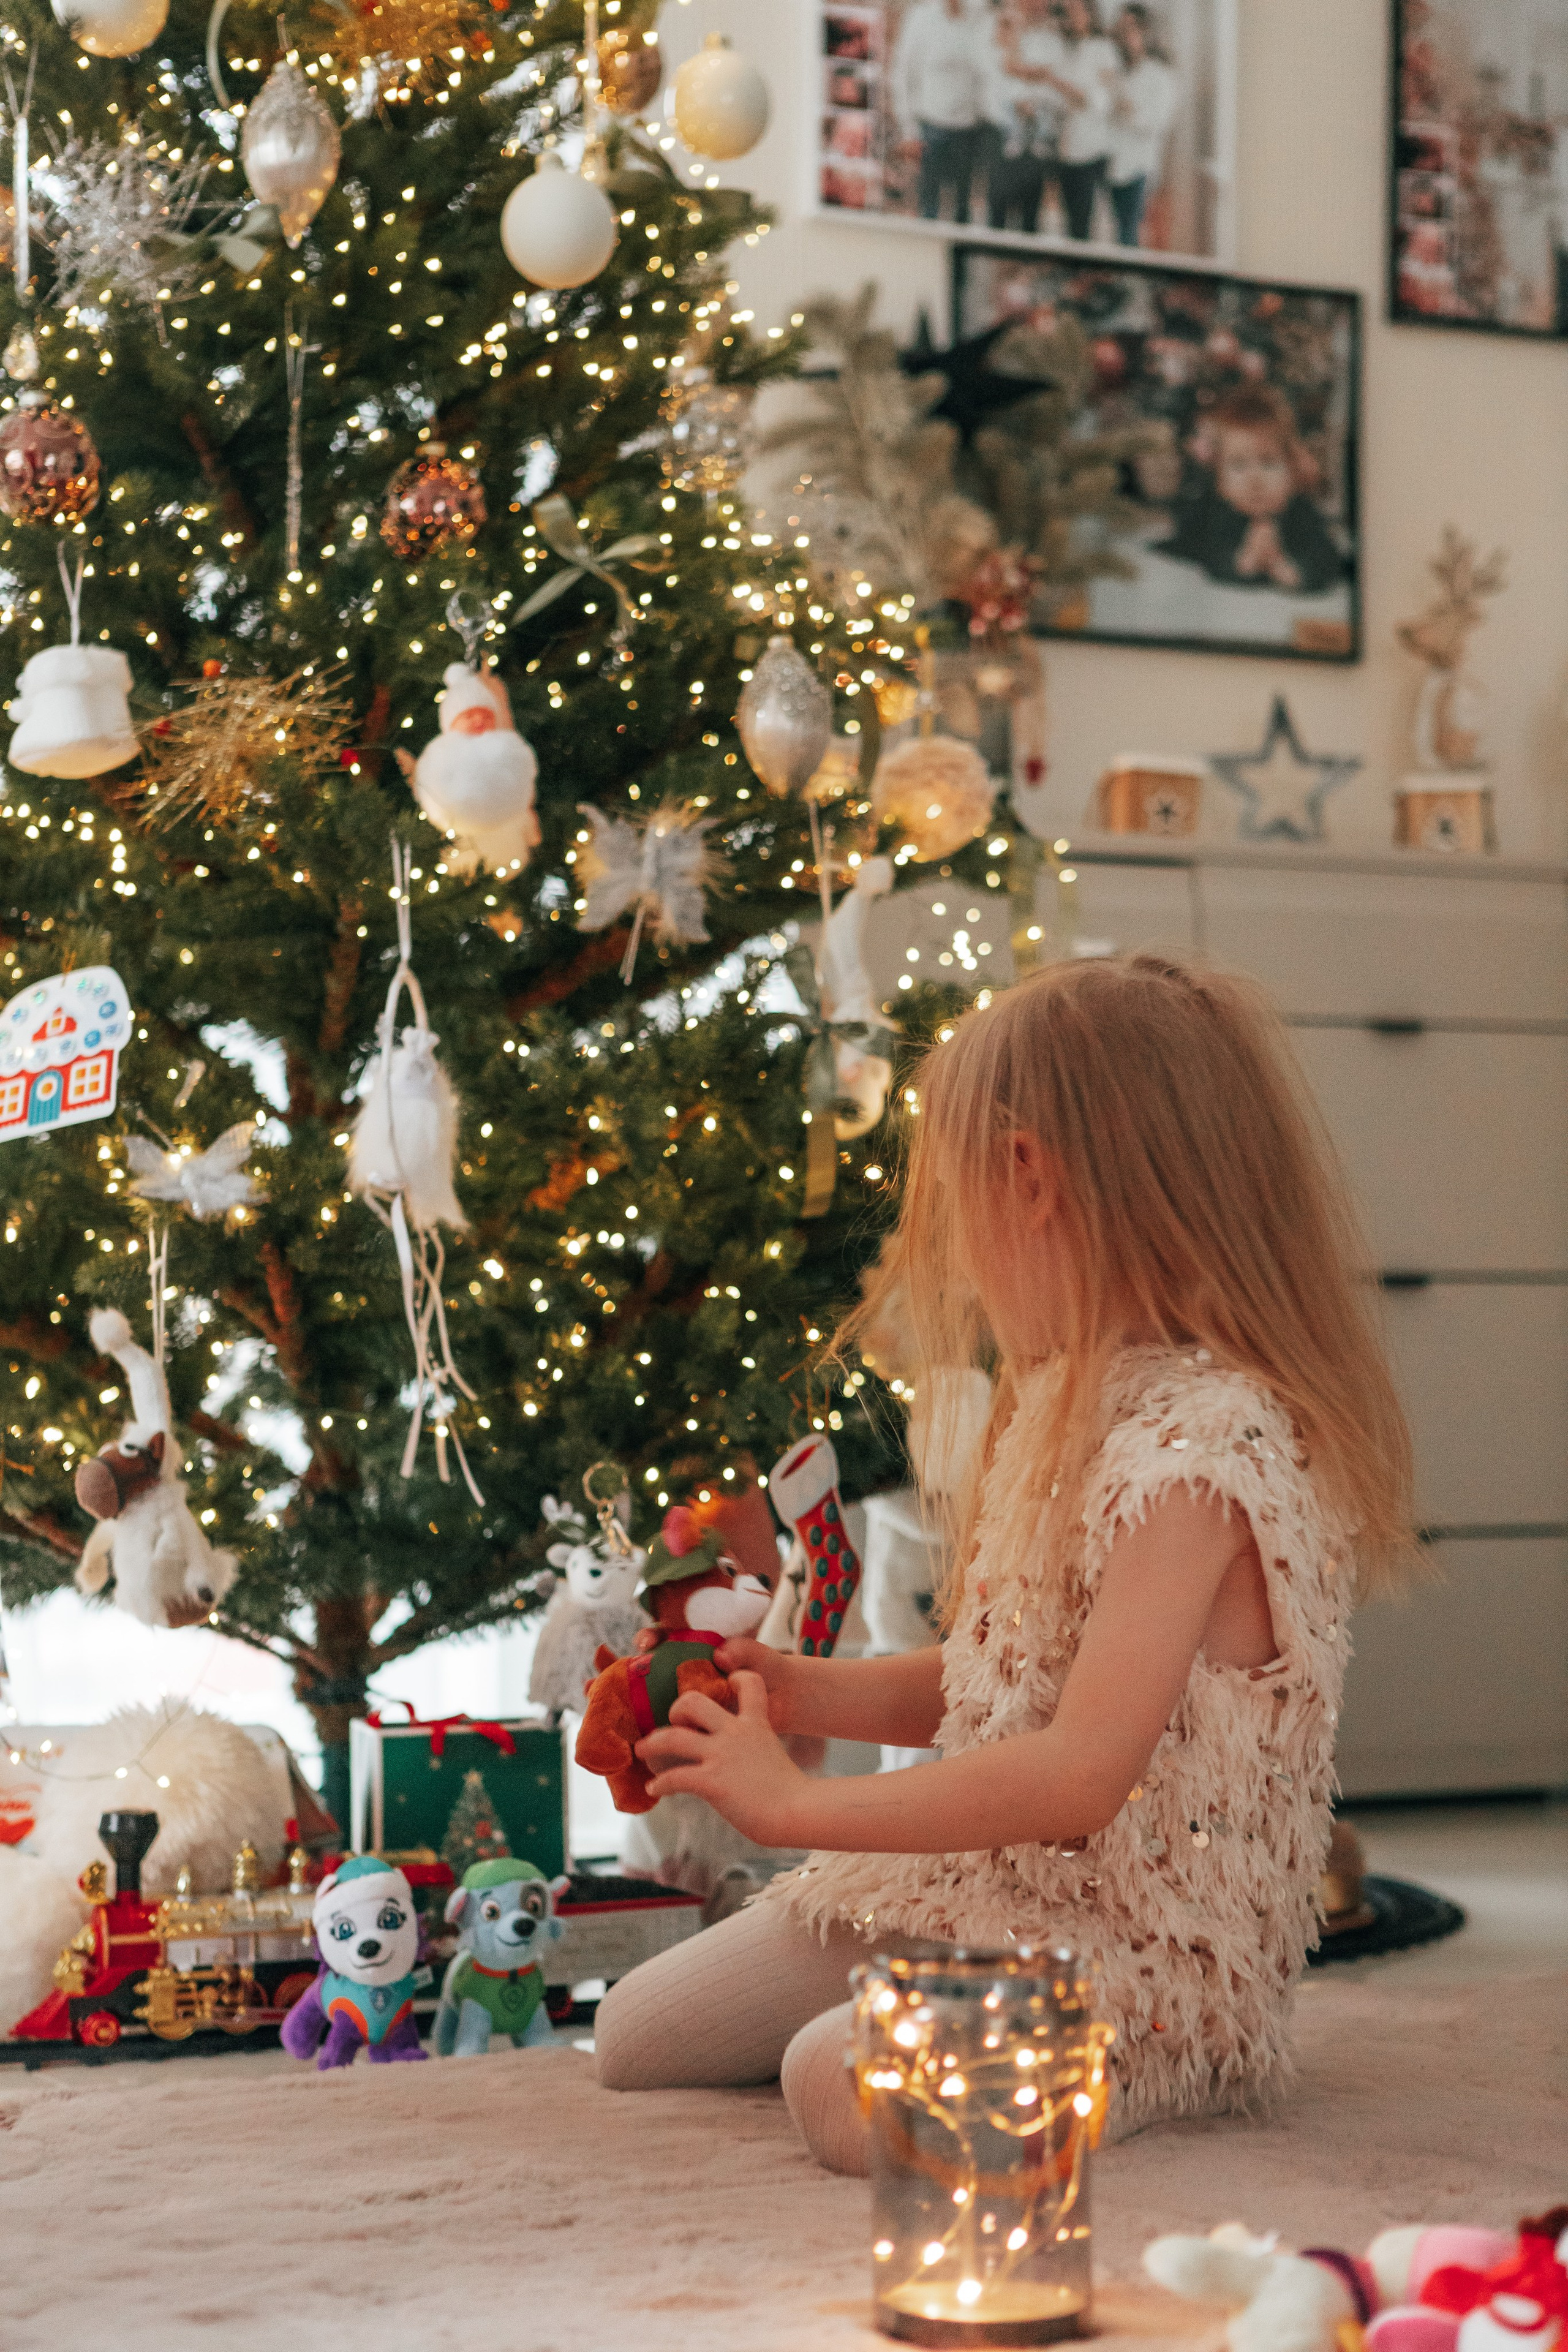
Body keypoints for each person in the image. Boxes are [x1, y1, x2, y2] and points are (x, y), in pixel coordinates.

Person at [594, 954, 1415, 2173]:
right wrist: (795, 1684)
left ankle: (1180, 2064)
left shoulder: (1201, 1448)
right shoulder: (1061, 1397)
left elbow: (1081, 1769)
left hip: (1141, 1954)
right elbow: (992, 1675)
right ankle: (943, 1989)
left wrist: (797, 1805)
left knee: (831, 2081)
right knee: (636, 2030)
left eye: (953, 1204)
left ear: (1027, 1176)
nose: (959, 1262)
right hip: (987, 1891)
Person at [1158, 383, 1344, 594]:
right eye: (1238, 466)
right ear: (1221, 483)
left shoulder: (1301, 514)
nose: (1254, 479)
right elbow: (1209, 555)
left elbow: (1327, 560)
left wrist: (1288, 569)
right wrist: (1246, 562)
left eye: (1269, 463)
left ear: (1292, 472)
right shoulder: (1219, 514)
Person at [889, 0, 991, 223]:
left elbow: (987, 72)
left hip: (969, 129)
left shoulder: (980, 17)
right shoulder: (921, 17)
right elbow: (903, 74)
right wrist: (909, 131)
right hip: (931, 129)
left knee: (962, 213)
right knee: (929, 211)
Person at [986, 0, 1067, 234]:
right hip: (1002, 135)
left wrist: (1033, 90)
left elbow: (1052, 81)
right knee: (997, 211)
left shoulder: (1050, 40)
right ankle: (998, 265)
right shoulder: (1001, 30)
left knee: (1030, 215)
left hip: (1035, 138)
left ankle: (1022, 267)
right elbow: (1001, 73)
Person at [1107, 2, 1179, 246]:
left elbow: (1159, 122)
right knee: (1114, 233)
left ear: (1144, 32)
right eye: (1122, 29)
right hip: (1111, 163)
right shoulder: (1115, 70)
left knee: (1131, 234)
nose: (1125, 37)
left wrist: (1127, 111)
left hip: (1139, 166)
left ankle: (1130, 281)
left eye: (1131, 30)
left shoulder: (1159, 76)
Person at [1046, 0, 1119, 237]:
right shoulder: (1061, 47)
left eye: (1077, 11)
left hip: (1091, 148)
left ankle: (1083, 270)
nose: (1072, 16)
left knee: (1085, 220)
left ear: (1090, 14)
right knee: (1066, 219)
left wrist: (1065, 89)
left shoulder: (1103, 49)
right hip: (1063, 146)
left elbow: (1103, 100)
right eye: (1068, 12)